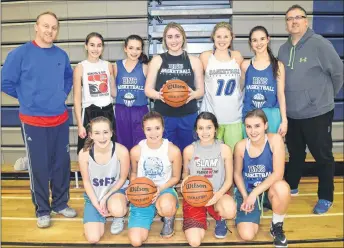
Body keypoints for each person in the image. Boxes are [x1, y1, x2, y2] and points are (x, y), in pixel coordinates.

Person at [1, 11, 76, 228]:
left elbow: (68, 78)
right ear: (36, 26)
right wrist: (28, 97)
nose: (50, 31)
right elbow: (5, 82)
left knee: (61, 165)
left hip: (60, 119)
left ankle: (61, 203)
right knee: (39, 167)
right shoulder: (20, 54)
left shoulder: (61, 55)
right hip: (33, 121)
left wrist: (61, 95)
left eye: (54, 27)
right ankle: (42, 209)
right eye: (46, 26)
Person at [278, 5, 343, 214]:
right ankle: (292, 187)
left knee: (323, 156)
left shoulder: (319, 44)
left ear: (306, 21)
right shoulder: (283, 49)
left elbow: (338, 74)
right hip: (293, 114)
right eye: (290, 19)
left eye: (298, 17)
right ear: (286, 23)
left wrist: (324, 98)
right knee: (295, 154)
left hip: (317, 113)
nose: (294, 21)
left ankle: (326, 197)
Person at [234, 109, 290, 247]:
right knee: (247, 235)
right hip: (248, 191)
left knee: (282, 188)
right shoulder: (240, 146)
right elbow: (237, 174)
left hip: (267, 190)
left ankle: (276, 226)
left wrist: (254, 194)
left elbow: (278, 174)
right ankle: (253, 213)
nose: (253, 131)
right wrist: (246, 196)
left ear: (265, 125)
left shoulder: (275, 140)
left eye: (257, 126)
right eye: (249, 126)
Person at [145, 22, 204, 152]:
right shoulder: (157, 60)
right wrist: (158, 95)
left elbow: (201, 90)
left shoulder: (194, 61)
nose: (174, 40)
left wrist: (193, 94)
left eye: (177, 36)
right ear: (165, 40)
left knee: (189, 152)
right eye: (170, 36)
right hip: (164, 115)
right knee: (167, 153)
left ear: (183, 38)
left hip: (188, 114)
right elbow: (148, 90)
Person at [182, 112, 236, 247]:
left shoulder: (224, 149)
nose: (204, 132)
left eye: (209, 127)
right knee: (194, 242)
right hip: (195, 195)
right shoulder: (189, 150)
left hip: (218, 193)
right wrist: (186, 182)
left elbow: (229, 180)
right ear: (196, 130)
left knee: (230, 210)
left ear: (215, 129)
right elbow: (185, 174)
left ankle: (220, 218)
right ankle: (200, 215)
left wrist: (216, 196)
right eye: (200, 128)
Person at [128, 111, 182, 247]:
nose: (153, 133)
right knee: (136, 241)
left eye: (157, 128)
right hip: (143, 192)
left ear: (163, 128)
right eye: (148, 129)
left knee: (166, 206)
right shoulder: (136, 150)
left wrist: (159, 189)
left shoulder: (173, 150)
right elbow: (133, 173)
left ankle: (168, 216)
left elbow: (176, 177)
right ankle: (149, 211)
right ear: (143, 130)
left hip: (164, 189)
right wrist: (134, 190)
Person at [78, 116, 130, 243]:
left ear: (111, 133)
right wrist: (96, 203)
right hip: (95, 195)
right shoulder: (84, 154)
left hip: (115, 192)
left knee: (117, 209)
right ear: (90, 135)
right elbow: (86, 182)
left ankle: (119, 215)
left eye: (106, 132)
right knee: (93, 238)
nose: (102, 137)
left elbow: (123, 178)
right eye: (97, 133)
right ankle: (99, 211)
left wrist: (106, 197)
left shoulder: (121, 151)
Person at [199, 22, 244, 150]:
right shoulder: (205, 57)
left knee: (234, 157)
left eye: (226, 36)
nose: (222, 40)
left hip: (234, 116)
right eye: (218, 36)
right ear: (213, 37)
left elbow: (241, 84)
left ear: (232, 37)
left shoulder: (237, 56)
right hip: (211, 118)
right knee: (212, 158)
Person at [73, 32, 116, 154]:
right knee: (87, 151)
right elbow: (77, 99)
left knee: (109, 150)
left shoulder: (108, 65)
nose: (95, 49)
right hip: (89, 112)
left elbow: (113, 92)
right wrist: (80, 125)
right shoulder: (80, 67)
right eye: (92, 45)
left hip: (108, 111)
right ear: (86, 46)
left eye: (99, 45)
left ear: (102, 47)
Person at [241, 26, 287, 137]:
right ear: (250, 43)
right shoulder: (245, 65)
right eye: (254, 40)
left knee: (272, 151)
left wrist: (284, 120)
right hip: (250, 113)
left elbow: (281, 94)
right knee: (251, 151)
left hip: (271, 114)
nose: (259, 43)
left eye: (262, 39)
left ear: (268, 39)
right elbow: (239, 90)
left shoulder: (278, 65)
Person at [114, 35, 149, 151]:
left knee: (141, 144)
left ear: (141, 50)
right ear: (125, 48)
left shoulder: (145, 67)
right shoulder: (116, 66)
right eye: (131, 48)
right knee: (122, 143)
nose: (134, 52)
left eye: (138, 49)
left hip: (140, 110)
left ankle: (138, 169)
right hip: (121, 109)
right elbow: (113, 92)